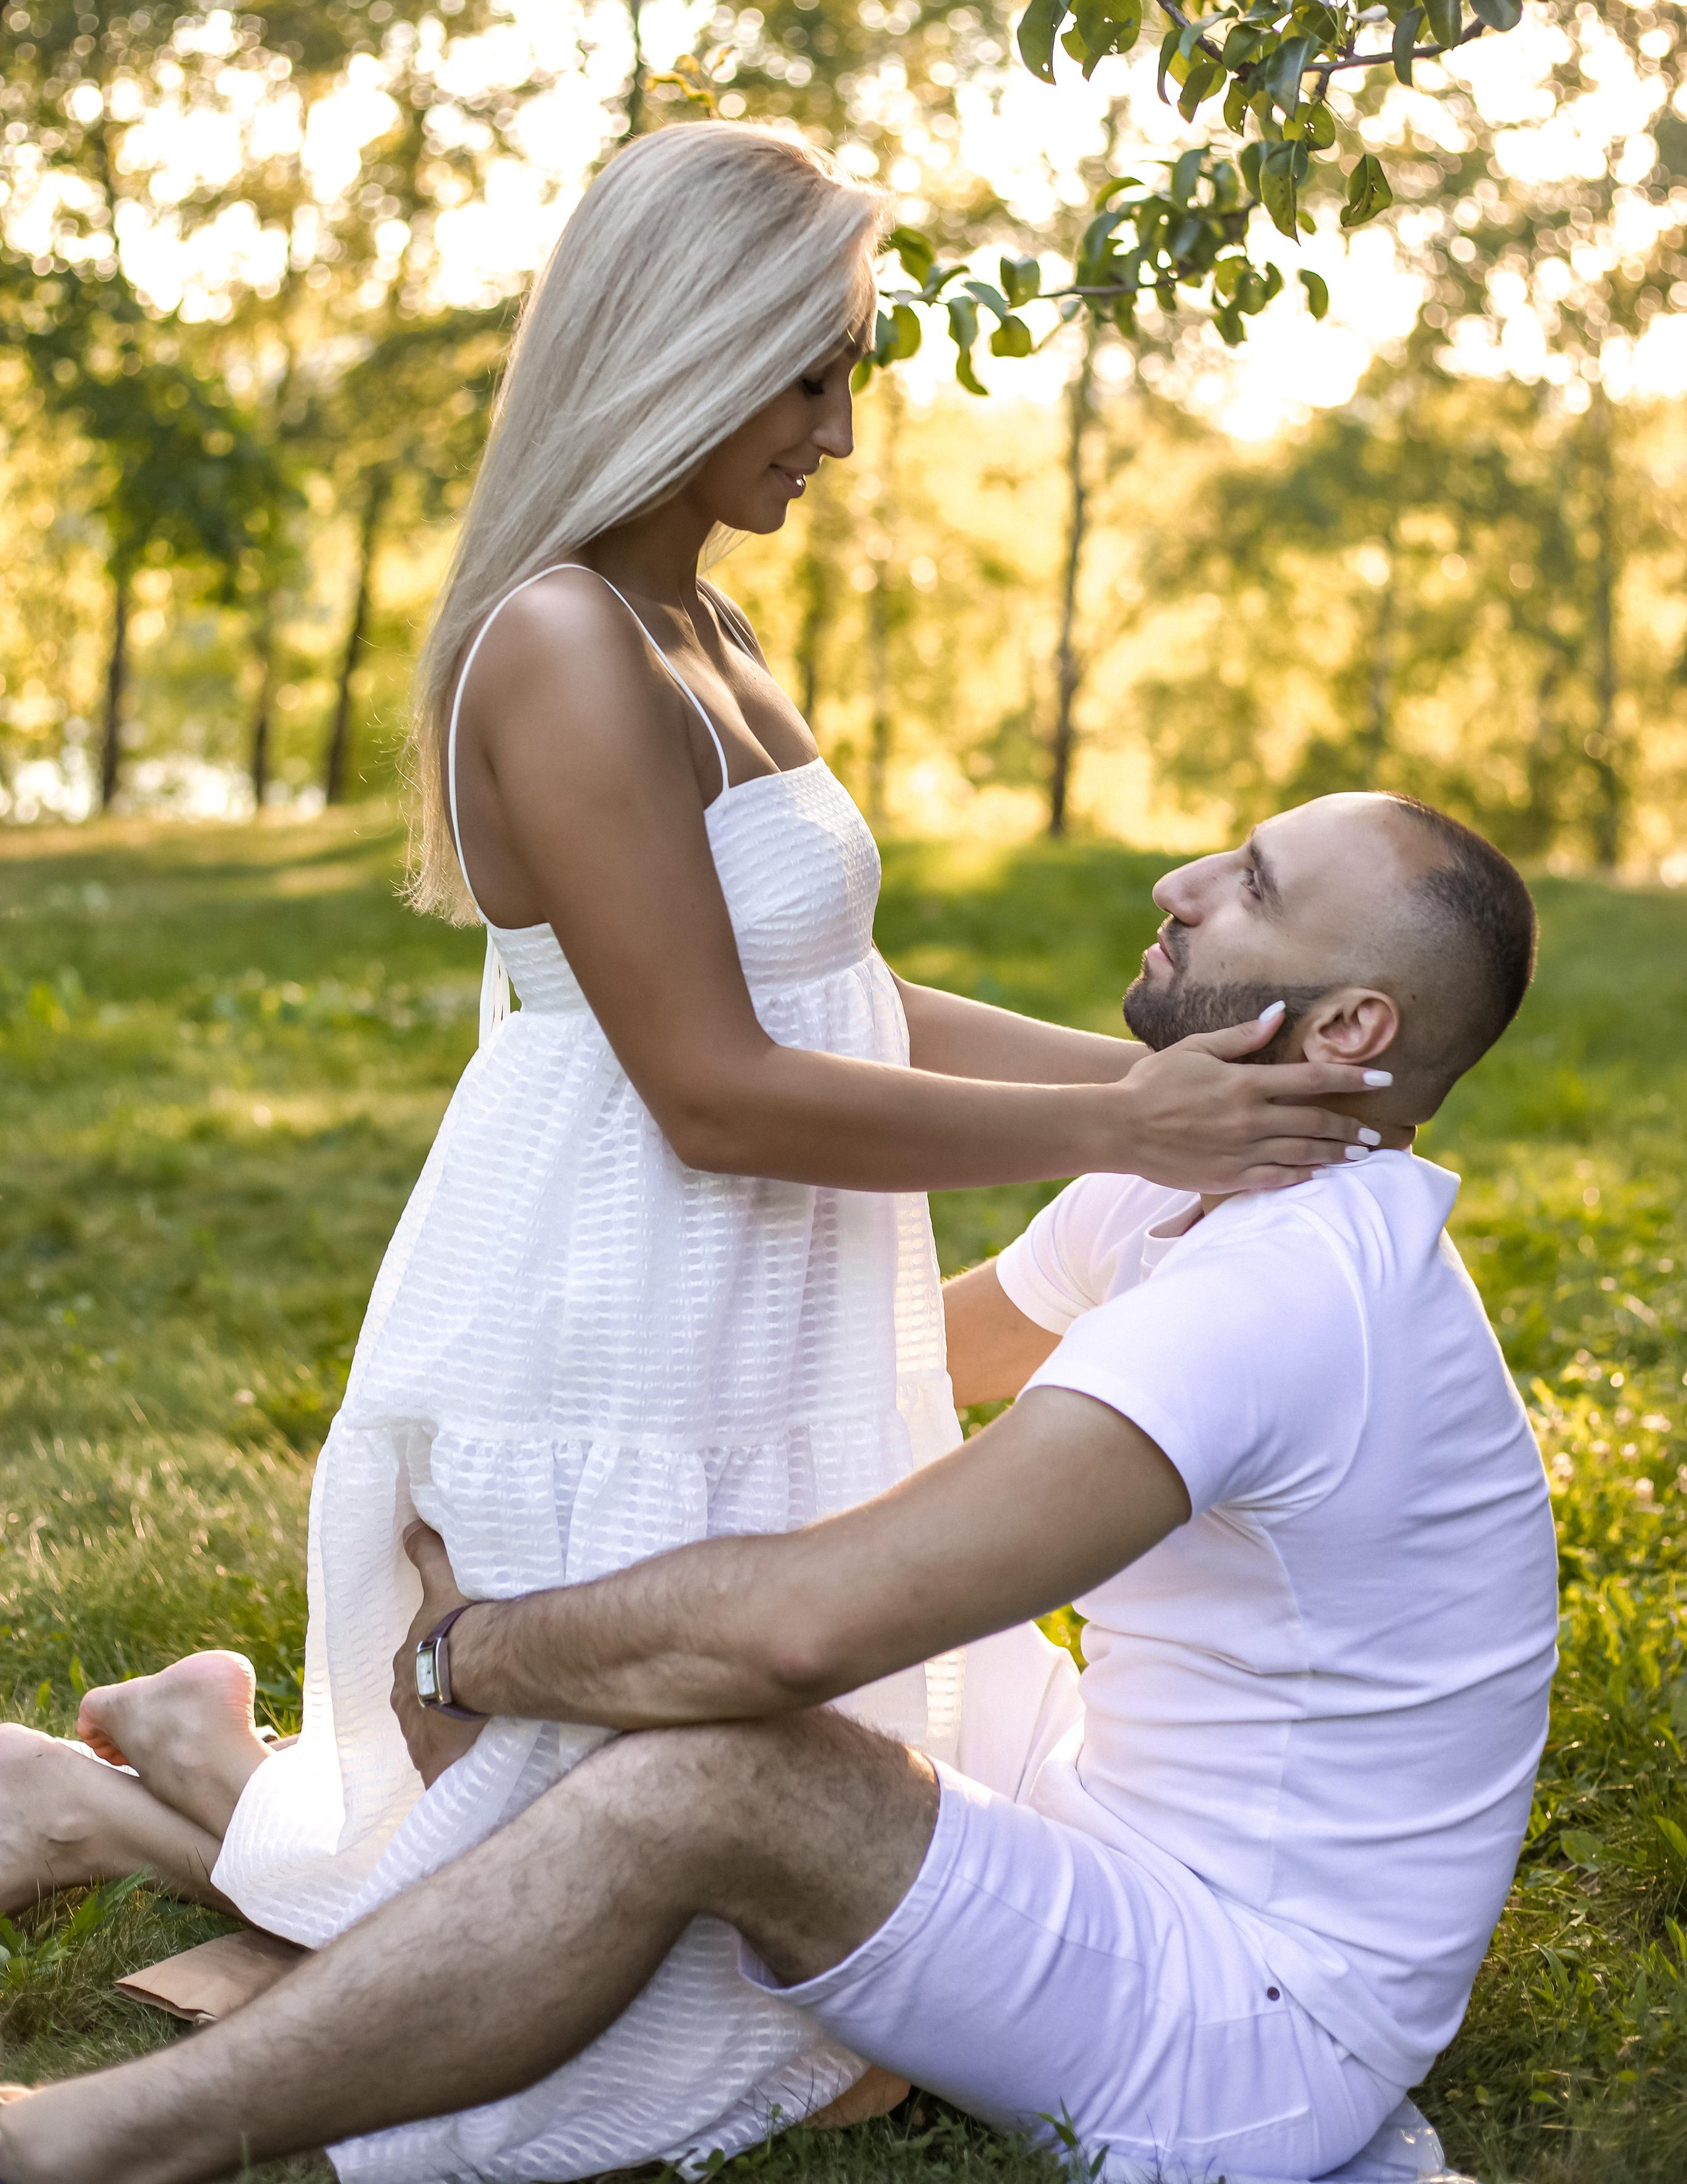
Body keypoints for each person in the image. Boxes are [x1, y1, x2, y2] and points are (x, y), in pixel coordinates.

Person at [0, 125, 1379, 2172]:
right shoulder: (565, 642)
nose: (842, 427)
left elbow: (853, 1007)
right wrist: (1124, 1117)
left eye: (854, 369)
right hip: (609, 1310)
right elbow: (716, 1091)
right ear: (686, 342)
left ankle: (178, 1774)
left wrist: (1173, 1089)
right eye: (810, 370)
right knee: (645, 2004)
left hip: (748, 1313)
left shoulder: (706, 630)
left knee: (761, 1937)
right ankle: (136, 1794)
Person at [0, 789, 1558, 2184]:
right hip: (1106, 1808)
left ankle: (96, 2139)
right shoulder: (1191, 1181)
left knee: (715, 1769)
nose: (1179, 876)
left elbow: (801, 1635)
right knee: (670, 1611)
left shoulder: (1294, 1297)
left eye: (1253, 888)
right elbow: (901, 1365)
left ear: (1346, 1032)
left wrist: (464, 1651)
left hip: (1244, 2024)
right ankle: (158, 1799)